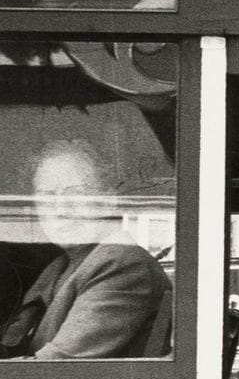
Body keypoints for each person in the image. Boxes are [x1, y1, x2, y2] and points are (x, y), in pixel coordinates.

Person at [1, 139, 171, 359]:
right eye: (47, 197)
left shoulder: (121, 262)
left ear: (108, 200)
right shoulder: (59, 267)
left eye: (76, 193)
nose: (61, 209)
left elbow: (55, 366)